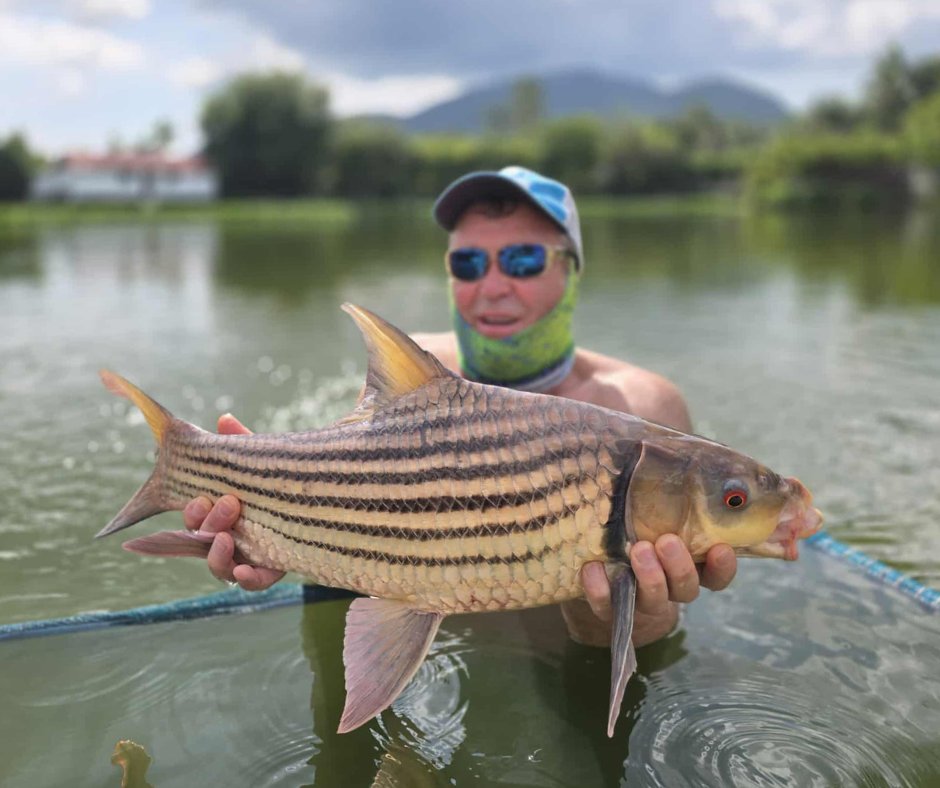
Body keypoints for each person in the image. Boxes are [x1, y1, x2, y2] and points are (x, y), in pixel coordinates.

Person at [182, 166, 738, 648]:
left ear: (569, 271)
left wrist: (638, 619)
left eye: (522, 260)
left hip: (561, 663)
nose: (492, 286)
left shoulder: (646, 406)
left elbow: (665, 624)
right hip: (424, 649)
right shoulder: (414, 373)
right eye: (469, 263)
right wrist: (273, 526)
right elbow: (354, 525)